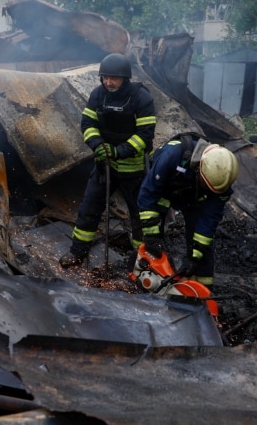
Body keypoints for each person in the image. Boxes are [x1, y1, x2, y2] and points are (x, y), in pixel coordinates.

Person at [60, 53, 157, 268]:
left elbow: (145, 134)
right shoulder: (98, 95)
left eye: (113, 78)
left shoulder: (141, 97)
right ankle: (77, 253)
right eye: (105, 77)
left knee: (139, 218)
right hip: (105, 167)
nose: (108, 82)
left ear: (125, 78)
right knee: (88, 210)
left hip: (135, 171)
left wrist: (118, 151)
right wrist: (98, 145)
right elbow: (87, 124)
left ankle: (140, 261)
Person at [136, 134, 239, 289]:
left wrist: (195, 256)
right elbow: (147, 194)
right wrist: (152, 235)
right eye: (207, 186)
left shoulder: (222, 182)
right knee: (151, 238)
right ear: (200, 169)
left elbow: (209, 219)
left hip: (194, 199)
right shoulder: (171, 156)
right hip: (163, 191)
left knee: (203, 248)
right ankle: (147, 279)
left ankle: (203, 293)